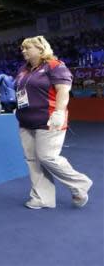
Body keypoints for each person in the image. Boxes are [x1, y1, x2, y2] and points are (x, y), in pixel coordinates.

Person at [16, 36, 92, 210]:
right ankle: (42, 197)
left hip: (49, 120)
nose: (23, 51)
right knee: (33, 160)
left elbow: (63, 91)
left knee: (47, 157)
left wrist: (59, 112)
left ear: (41, 49)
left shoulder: (55, 65)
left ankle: (80, 183)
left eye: (27, 48)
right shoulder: (23, 70)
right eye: (22, 48)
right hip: (26, 121)